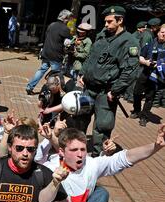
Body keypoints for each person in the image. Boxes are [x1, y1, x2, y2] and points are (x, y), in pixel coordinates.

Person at [79, 6, 140, 156]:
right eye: (105, 21)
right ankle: (75, 150)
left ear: (120, 20)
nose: (105, 24)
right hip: (88, 89)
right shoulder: (102, 35)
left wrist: (116, 90)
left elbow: (130, 70)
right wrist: (82, 73)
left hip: (105, 94)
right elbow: (90, 57)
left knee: (102, 127)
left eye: (109, 21)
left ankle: (98, 156)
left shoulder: (129, 42)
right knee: (80, 120)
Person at [26, 9, 72, 95]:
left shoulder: (51, 25)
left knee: (41, 70)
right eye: (68, 19)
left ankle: (29, 87)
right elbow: (67, 43)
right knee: (56, 75)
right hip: (56, 55)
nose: (69, 21)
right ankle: (50, 91)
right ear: (65, 18)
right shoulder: (65, 29)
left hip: (46, 52)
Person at [131, 24, 165, 126]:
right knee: (136, 92)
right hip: (146, 72)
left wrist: (160, 64)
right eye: (163, 32)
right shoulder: (150, 43)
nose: (164, 35)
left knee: (150, 97)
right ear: (158, 33)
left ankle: (144, 117)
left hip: (157, 75)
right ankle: (137, 110)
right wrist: (146, 62)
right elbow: (141, 56)